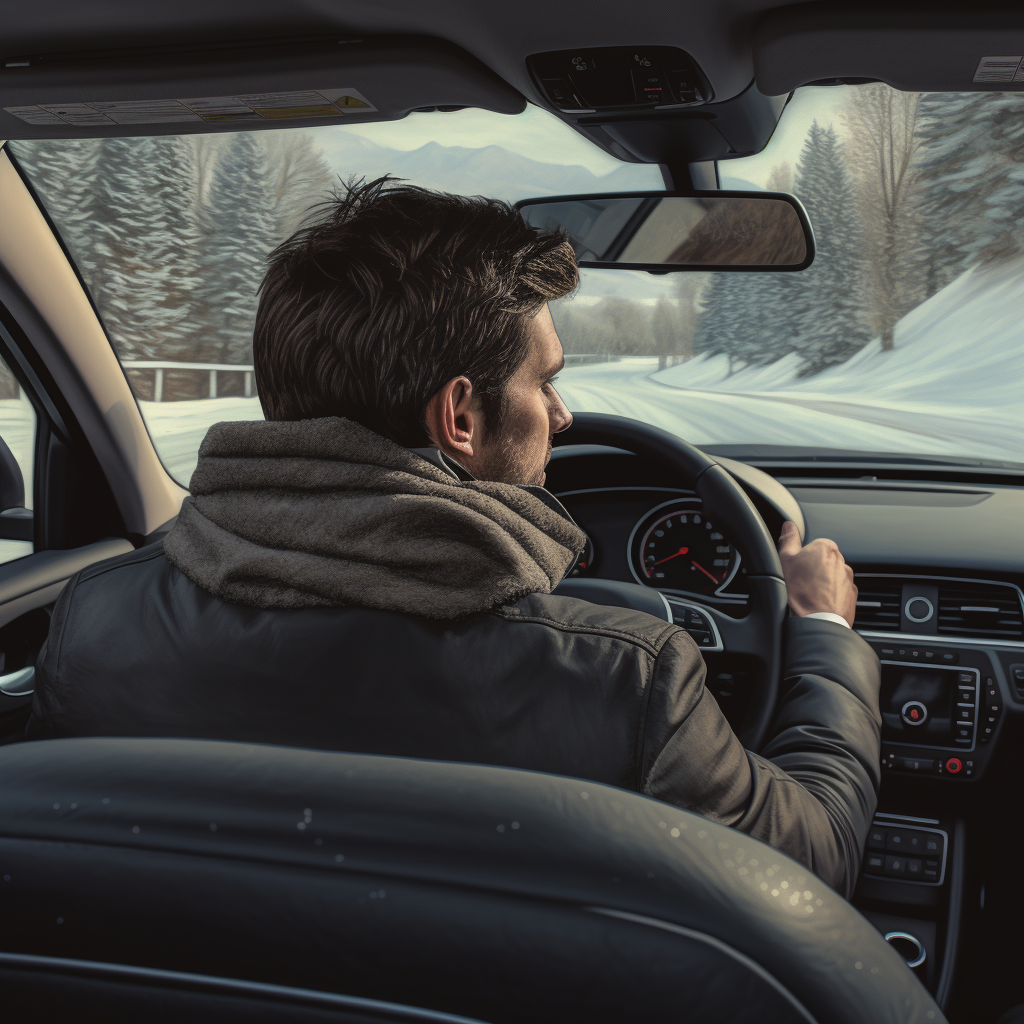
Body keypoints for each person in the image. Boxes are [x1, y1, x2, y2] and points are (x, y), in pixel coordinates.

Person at [28, 178, 880, 898]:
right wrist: (823, 633)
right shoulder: (626, 678)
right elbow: (812, 861)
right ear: (460, 417)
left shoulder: (95, 622)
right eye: (545, 381)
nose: (564, 415)